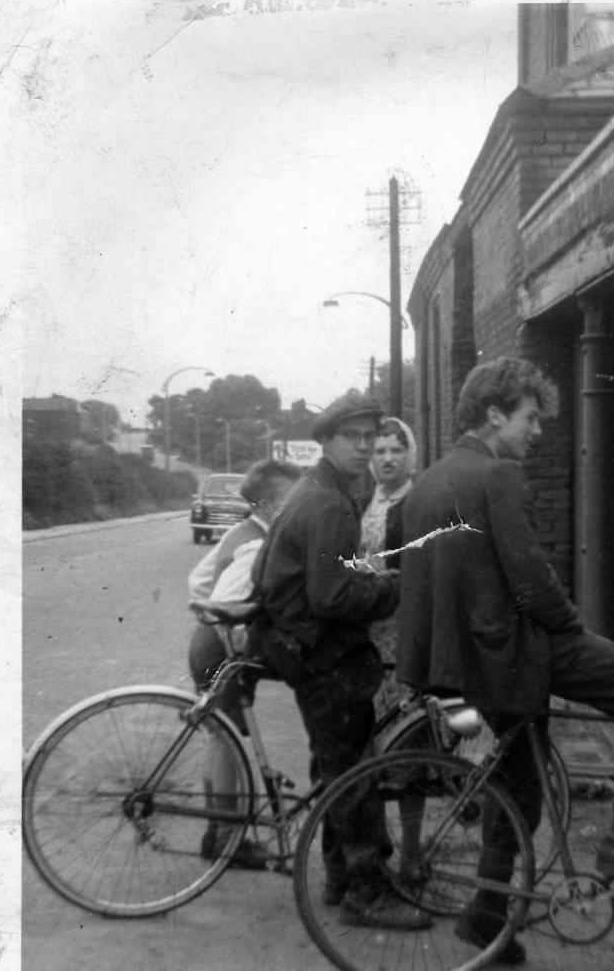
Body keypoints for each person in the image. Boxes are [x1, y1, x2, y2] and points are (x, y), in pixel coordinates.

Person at [397, 356, 614, 965]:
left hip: (464, 665)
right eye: (530, 418)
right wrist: (573, 628)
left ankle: (484, 917)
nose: (537, 433)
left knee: (519, 786)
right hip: (513, 654)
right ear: (494, 414)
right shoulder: (497, 476)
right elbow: (532, 583)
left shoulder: (429, 480)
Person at [250, 393, 431, 931]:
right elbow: (331, 596)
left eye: (370, 436)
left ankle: (337, 877)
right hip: (322, 650)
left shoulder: (314, 490)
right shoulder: (329, 503)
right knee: (354, 773)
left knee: (334, 763)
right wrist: (393, 589)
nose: (365, 446)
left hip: (297, 643)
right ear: (326, 441)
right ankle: (367, 893)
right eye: (352, 437)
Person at [187, 458, 301, 870]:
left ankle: (217, 833)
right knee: (226, 740)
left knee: (219, 736)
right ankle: (227, 838)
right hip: (222, 647)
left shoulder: (240, 532)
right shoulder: (258, 544)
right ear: (270, 505)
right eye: (295, 500)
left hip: (207, 643)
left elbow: (199, 581)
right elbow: (224, 598)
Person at [358, 416, 417, 716]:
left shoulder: (419, 501)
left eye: (396, 450)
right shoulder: (360, 502)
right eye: (380, 452)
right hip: (364, 620)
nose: (388, 459)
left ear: (409, 454)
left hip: (402, 620)